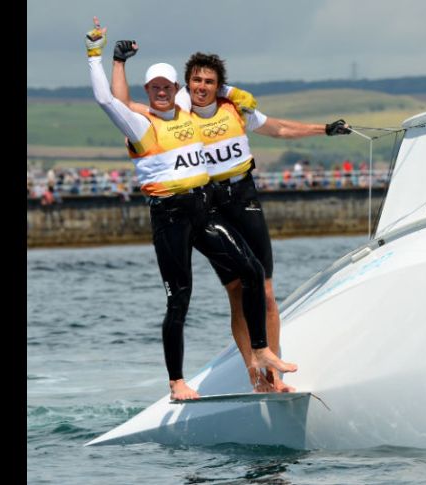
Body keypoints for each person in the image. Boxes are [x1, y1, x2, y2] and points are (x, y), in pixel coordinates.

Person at [111, 45, 351, 391]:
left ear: (219, 85)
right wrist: (117, 62)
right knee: (236, 292)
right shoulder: (177, 112)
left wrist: (325, 129)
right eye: (196, 80)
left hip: (244, 195)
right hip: (209, 203)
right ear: (186, 84)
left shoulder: (235, 108)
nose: (202, 86)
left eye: (210, 81)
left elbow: (279, 129)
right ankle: (253, 372)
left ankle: (274, 375)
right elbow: (122, 107)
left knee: (265, 290)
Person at [84, 17, 296, 400]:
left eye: (168, 87)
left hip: (204, 211)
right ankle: (177, 383)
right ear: (148, 91)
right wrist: (104, 57)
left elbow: (209, 93)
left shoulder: (186, 113)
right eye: (155, 88)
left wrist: (235, 92)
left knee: (252, 271)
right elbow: (108, 100)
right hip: (170, 218)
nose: (162, 93)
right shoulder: (140, 124)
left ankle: (262, 351)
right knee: (179, 297)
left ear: (175, 90)